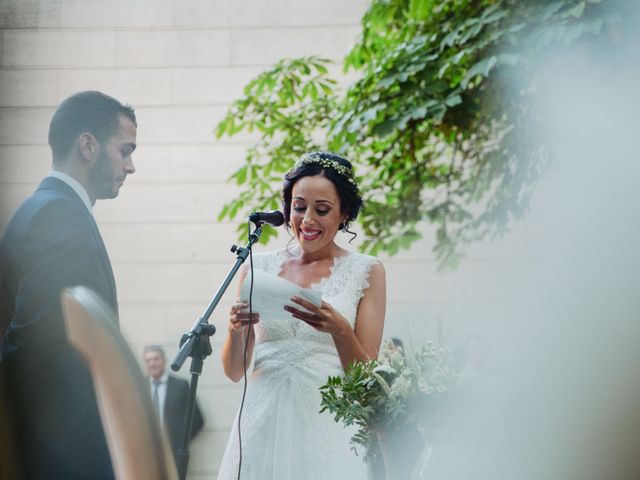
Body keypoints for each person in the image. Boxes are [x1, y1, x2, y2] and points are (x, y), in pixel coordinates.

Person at [217, 151, 386, 479]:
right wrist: (235, 329)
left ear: (344, 213)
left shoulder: (367, 270)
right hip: (261, 420)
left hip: (326, 425)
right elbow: (234, 371)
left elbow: (368, 383)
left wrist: (340, 331)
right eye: (298, 207)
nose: (307, 220)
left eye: (322, 210)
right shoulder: (258, 265)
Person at [0, 91, 137, 479]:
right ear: (88, 145)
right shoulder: (59, 215)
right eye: (125, 150)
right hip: (61, 449)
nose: (130, 166)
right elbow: (35, 341)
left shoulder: (41, 208)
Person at [142, 344, 205, 467]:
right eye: (148, 360)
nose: (153, 363)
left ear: (164, 360)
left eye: (156, 359)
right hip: (145, 452)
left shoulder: (181, 386)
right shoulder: (138, 385)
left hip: (174, 453)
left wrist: (181, 442)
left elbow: (198, 420)